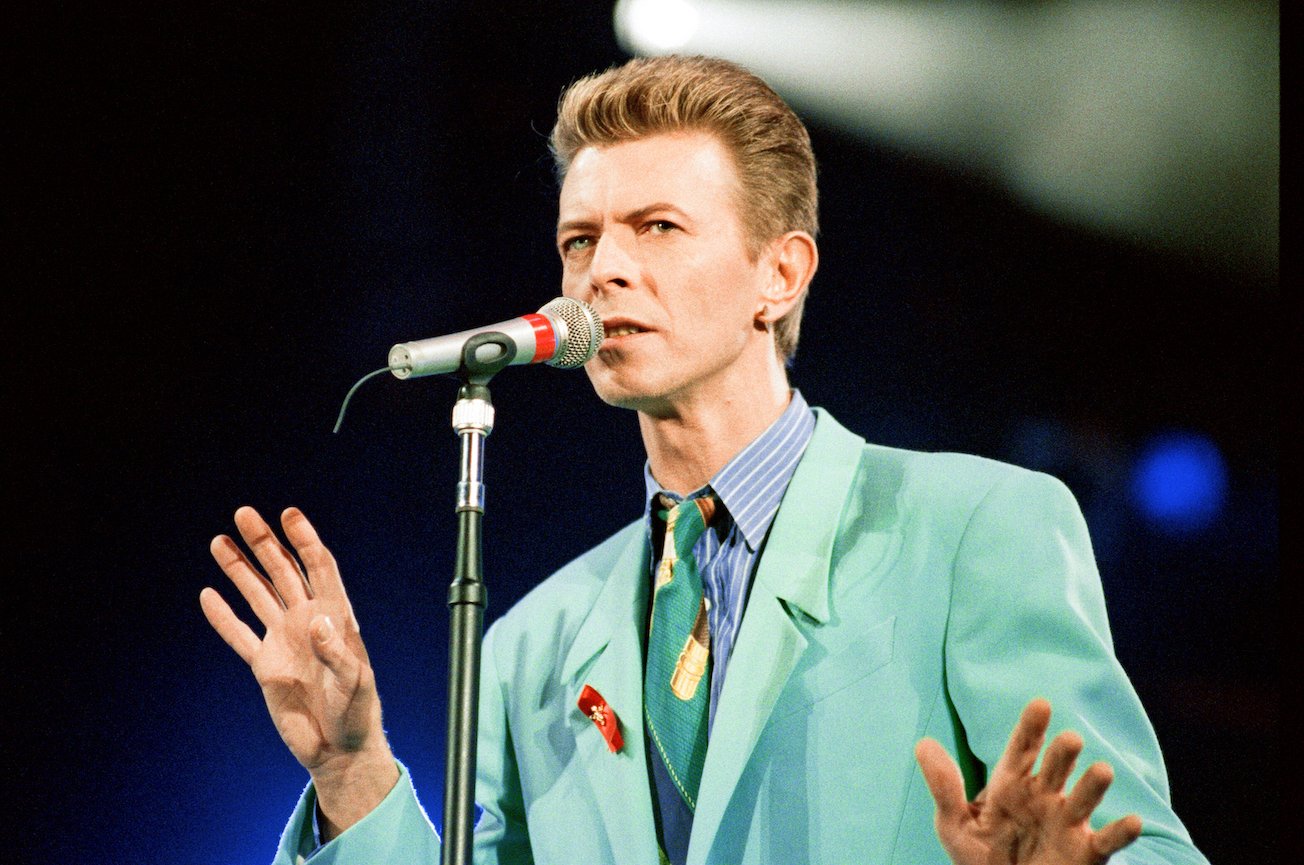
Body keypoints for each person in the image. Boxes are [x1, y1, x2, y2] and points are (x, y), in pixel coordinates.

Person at [201, 56, 1208, 864]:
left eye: (657, 228)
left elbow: (1136, 843)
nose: (603, 270)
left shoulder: (974, 527)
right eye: (578, 240)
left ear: (780, 271)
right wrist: (349, 768)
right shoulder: (529, 646)